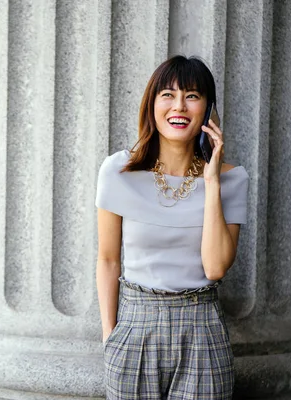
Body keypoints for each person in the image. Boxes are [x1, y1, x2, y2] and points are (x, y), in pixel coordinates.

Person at [95, 55, 249, 399]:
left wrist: (211, 181)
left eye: (192, 96)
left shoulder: (232, 179)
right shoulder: (117, 171)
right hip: (135, 326)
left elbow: (215, 267)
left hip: (202, 329)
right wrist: (110, 339)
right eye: (168, 94)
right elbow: (107, 259)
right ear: (152, 104)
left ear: (208, 111)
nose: (179, 105)